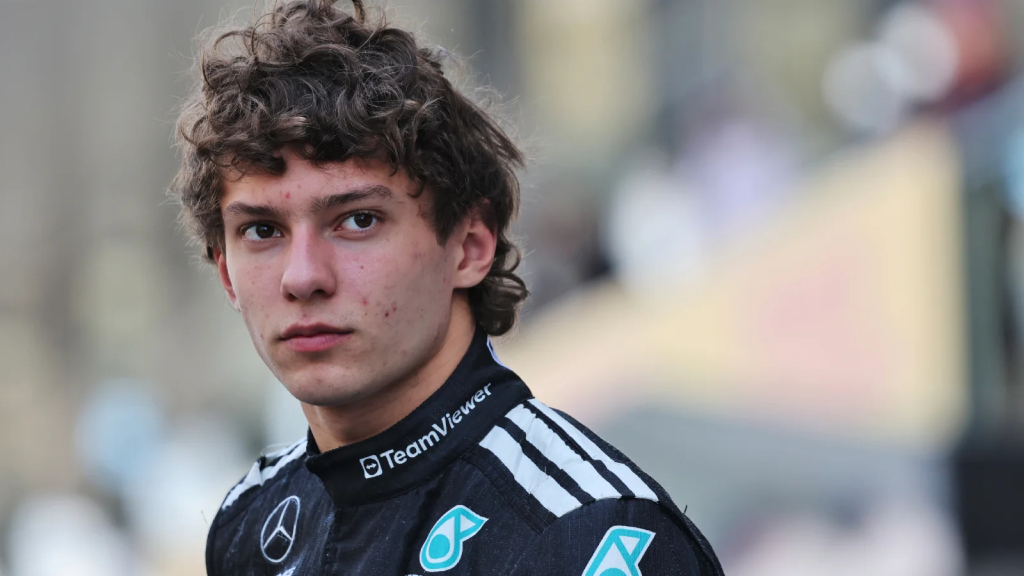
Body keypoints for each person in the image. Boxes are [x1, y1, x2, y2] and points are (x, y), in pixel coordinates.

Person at [171, 0, 724, 574]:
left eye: (358, 220)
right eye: (262, 231)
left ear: (470, 247)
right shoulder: (249, 524)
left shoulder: (589, 536)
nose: (303, 276)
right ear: (226, 273)